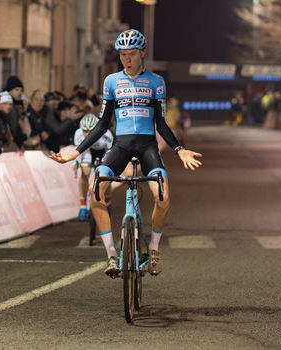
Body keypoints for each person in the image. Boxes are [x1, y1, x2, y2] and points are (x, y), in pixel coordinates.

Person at [50, 29, 202, 277]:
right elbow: (101, 124)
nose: (127, 59)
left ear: (142, 53)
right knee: (95, 190)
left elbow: (161, 123)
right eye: (123, 54)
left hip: (147, 147)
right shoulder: (111, 81)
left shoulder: (156, 82)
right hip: (120, 146)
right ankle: (111, 255)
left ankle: (153, 250)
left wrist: (180, 149)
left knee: (162, 196)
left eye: (132, 54)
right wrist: (76, 152)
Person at [73, 113, 113, 222]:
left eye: (90, 131)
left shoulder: (107, 134)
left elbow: (111, 153)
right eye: (84, 131)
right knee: (84, 173)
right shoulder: (78, 134)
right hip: (88, 151)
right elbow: (77, 152)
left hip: (103, 152)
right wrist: (75, 163)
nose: (86, 134)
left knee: (106, 177)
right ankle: (82, 207)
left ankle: (108, 203)